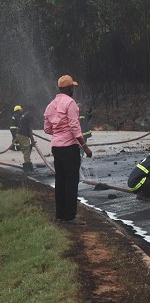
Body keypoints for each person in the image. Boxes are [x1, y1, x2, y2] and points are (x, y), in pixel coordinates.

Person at [44, 75, 93, 225]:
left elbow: (47, 129)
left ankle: (60, 214)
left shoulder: (50, 105)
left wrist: (59, 134)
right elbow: (74, 127)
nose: (73, 89)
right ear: (69, 88)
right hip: (70, 147)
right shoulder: (71, 103)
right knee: (72, 181)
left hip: (56, 148)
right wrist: (85, 147)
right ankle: (70, 216)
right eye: (72, 87)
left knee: (60, 181)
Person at [15, 106, 36, 173]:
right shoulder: (30, 115)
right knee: (26, 150)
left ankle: (29, 166)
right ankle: (27, 169)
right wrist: (32, 139)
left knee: (28, 149)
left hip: (20, 133)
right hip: (22, 135)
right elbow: (29, 128)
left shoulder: (26, 114)